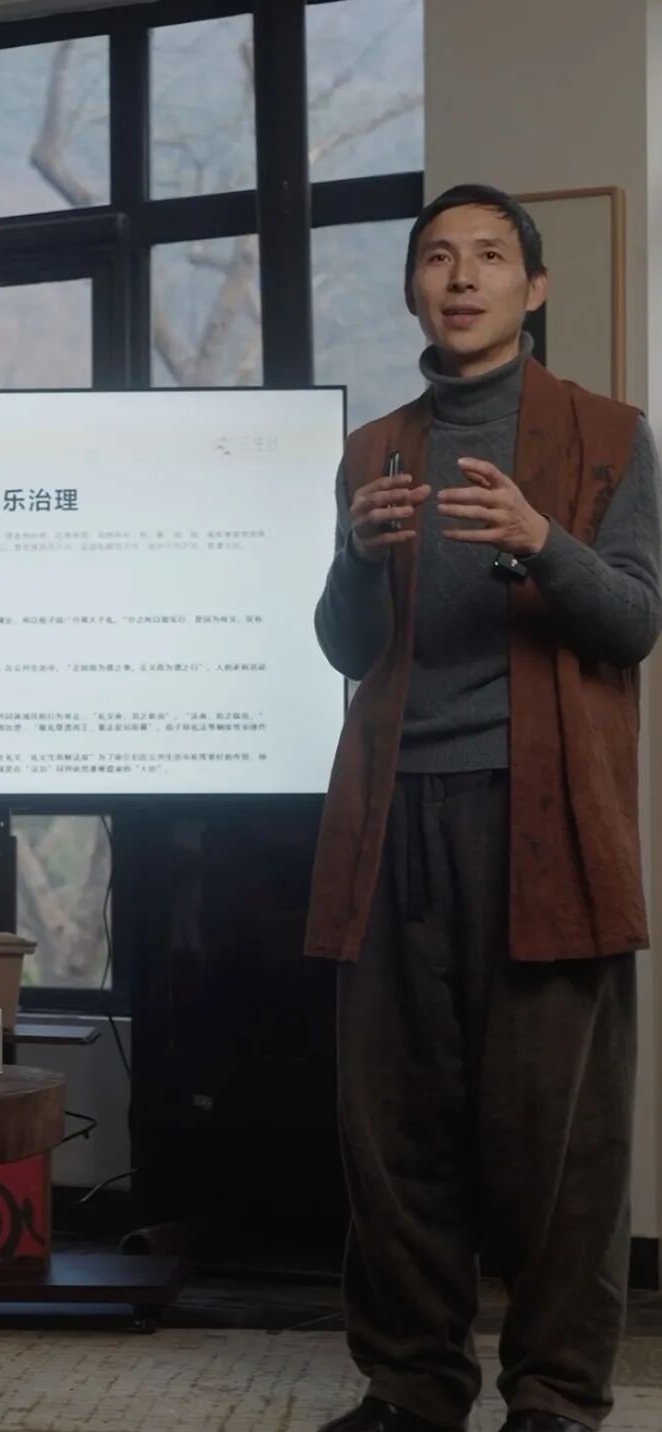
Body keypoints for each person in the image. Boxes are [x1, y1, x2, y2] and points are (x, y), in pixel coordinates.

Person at [307, 183, 662, 1432]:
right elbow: (348, 649)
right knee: (394, 1127)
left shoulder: (610, 434)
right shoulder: (376, 448)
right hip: (392, 821)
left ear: (534, 288)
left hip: (546, 822)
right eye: (439, 258)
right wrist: (355, 558)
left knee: (553, 1137)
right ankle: (411, 1386)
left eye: (492, 257)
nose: (463, 277)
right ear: (414, 289)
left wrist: (541, 539)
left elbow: (634, 621)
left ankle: (554, 1396)